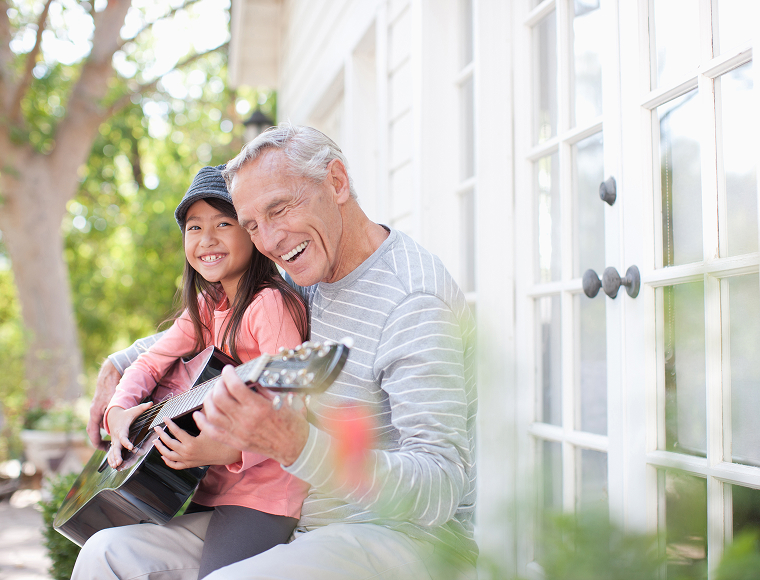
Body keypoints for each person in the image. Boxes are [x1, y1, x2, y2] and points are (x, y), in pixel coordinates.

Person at [81, 124, 477, 580]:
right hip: (293, 518)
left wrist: (300, 446)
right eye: (251, 225)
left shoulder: (412, 299)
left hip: (394, 536)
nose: (269, 242)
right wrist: (120, 365)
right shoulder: (306, 276)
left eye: (279, 209)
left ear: (337, 181)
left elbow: (441, 486)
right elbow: (213, 323)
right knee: (106, 555)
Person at [73, 164, 311, 580]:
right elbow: (148, 363)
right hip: (213, 488)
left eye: (224, 223)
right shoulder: (208, 307)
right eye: (195, 227)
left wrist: (224, 452)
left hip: (264, 497)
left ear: (252, 233)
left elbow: (291, 405)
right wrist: (120, 411)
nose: (208, 239)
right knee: (104, 551)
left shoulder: (268, 306)